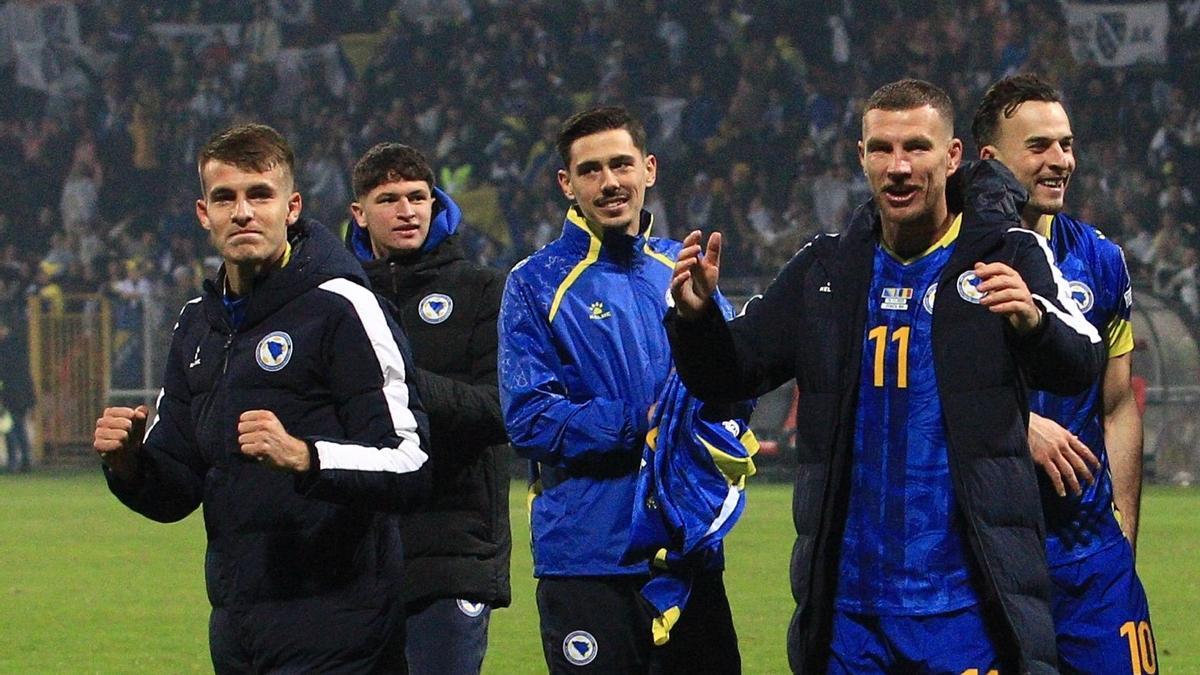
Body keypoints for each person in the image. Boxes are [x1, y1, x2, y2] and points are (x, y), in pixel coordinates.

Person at [666, 80, 1106, 673]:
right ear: (861, 157)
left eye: (917, 148)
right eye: (882, 149)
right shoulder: (825, 269)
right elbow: (729, 376)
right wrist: (696, 322)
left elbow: (1081, 361)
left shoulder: (1007, 253)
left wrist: (1033, 321)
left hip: (967, 608)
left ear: (952, 157)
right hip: (850, 614)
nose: (898, 168)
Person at [92, 123, 430, 674]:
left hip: (343, 628)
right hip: (239, 631)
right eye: (225, 197)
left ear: (291, 208)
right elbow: (178, 487)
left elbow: (410, 461)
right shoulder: (196, 325)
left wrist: (306, 456)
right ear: (204, 214)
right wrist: (130, 463)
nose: (242, 212)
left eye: (260, 195)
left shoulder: (343, 307)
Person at [499, 106, 741, 673]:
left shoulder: (683, 270)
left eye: (621, 164)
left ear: (649, 169)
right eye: (591, 170)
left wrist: (705, 324)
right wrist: (642, 423)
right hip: (587, 555)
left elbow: (735, 393)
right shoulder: (534, 283)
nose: (609, 182)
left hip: (686, 548)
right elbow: (529, 417)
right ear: (568, 184)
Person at [973, 73, 1156, 673]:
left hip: (1090, 557)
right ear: (990, 159)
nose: (1060, 161)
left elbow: (1117, 404)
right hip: (989, 552)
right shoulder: (952, 260)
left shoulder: (1102, 260)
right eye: (1039, 147)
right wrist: (1014, 425)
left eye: (1067, 144)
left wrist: (1122, 531)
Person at [346, 142, 511, 675]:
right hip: (357, 553)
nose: (408, 210)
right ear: (359, 213)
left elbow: (502, 410)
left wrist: (402, 385)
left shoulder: (483, 290)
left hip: (453, 550)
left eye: (418, 196)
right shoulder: (341, 299)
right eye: (389, 198)